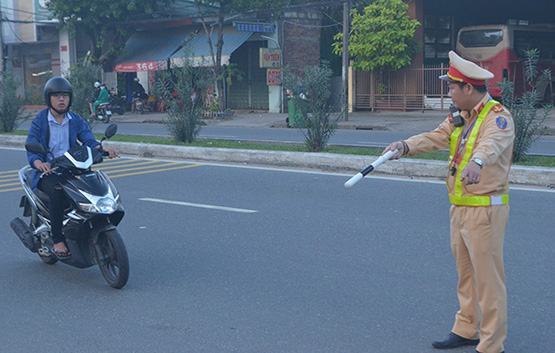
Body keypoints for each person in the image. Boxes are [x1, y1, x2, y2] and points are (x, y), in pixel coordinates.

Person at [384, 51, 514, 353]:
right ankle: (467, 329)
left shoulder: (498, 117)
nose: (448, 92)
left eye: (452, 86)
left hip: (485, 210)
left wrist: (478, 163)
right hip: (460, 207)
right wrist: (404, 146)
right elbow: (435, 137)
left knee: (488, 281)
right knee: (466, 277)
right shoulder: (460, 118)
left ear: (468, 88)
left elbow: (491, 144)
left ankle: (492, 344)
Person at [26, 76, 118, 258]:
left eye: (65, 96)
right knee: (57, 192)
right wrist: (39, 163)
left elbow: (89, 140)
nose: (61, 99)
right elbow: (32, 146)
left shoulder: (74, 119)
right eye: (57, 96)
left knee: (93, 185)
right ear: (49, 98)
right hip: (49, 171)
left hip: (73, 167)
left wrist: (103, 149)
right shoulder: (40, 121)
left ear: (70, 98)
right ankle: (58, 239)